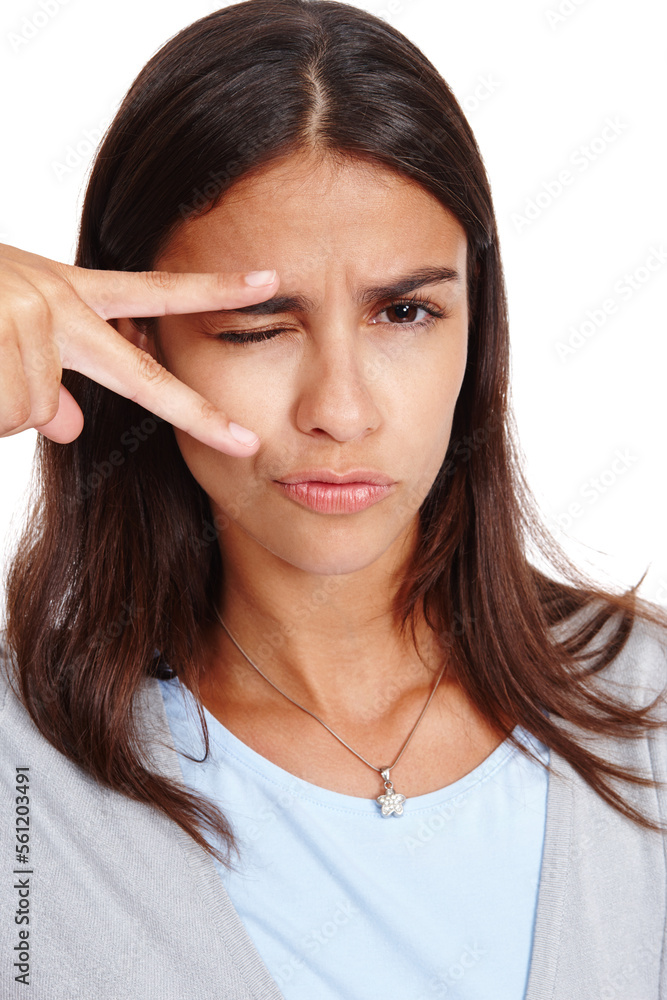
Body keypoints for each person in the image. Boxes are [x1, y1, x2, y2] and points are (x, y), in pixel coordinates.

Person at [1, 1, 666, 998]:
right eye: (256, 325)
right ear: (133, 342)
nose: (341, 410)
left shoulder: (645, 710)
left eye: (404, 311)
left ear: (474, 330)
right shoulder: (25, 780)